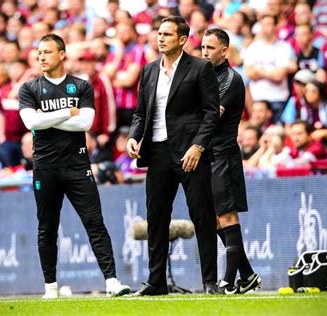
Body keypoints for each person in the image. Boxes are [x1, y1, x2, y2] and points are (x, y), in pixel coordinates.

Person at [18, 34, 130, 299]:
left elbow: (86, 124)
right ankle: (50, 287)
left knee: (95, 222)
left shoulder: (81, 86)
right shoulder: (29, 88)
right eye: (39, 52)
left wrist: (47, 118)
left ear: (62, 54)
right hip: (45, 167)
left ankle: (112, 281)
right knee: (47, 227)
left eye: (47, 52)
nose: (41, 56)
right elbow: (31, 123)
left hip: (78, 166)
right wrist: (69, 112)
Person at [126, 16, 219, 295]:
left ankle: (210, 282)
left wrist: (198, 146)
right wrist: (133, 135)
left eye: (167, 34)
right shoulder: (149, 70)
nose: (161, 38)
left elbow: (211, 114)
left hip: (190, 154)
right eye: (159, 33)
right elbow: (141, 113)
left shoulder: (200, 68)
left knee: (202, 217)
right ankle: (156, 282)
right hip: (156, 153)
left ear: (182, 39)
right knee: (156, 218)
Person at [201, 28, 261, 295]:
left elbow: (212, 116)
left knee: (226, 214)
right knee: (214, 219)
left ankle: (227, 280)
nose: (204, 52)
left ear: (224, 51)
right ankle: (246, 275)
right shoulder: (203, 76)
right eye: (202, 47)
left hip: (223, 154)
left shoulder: (230, 79)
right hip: (206, 155)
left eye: (210, 48)